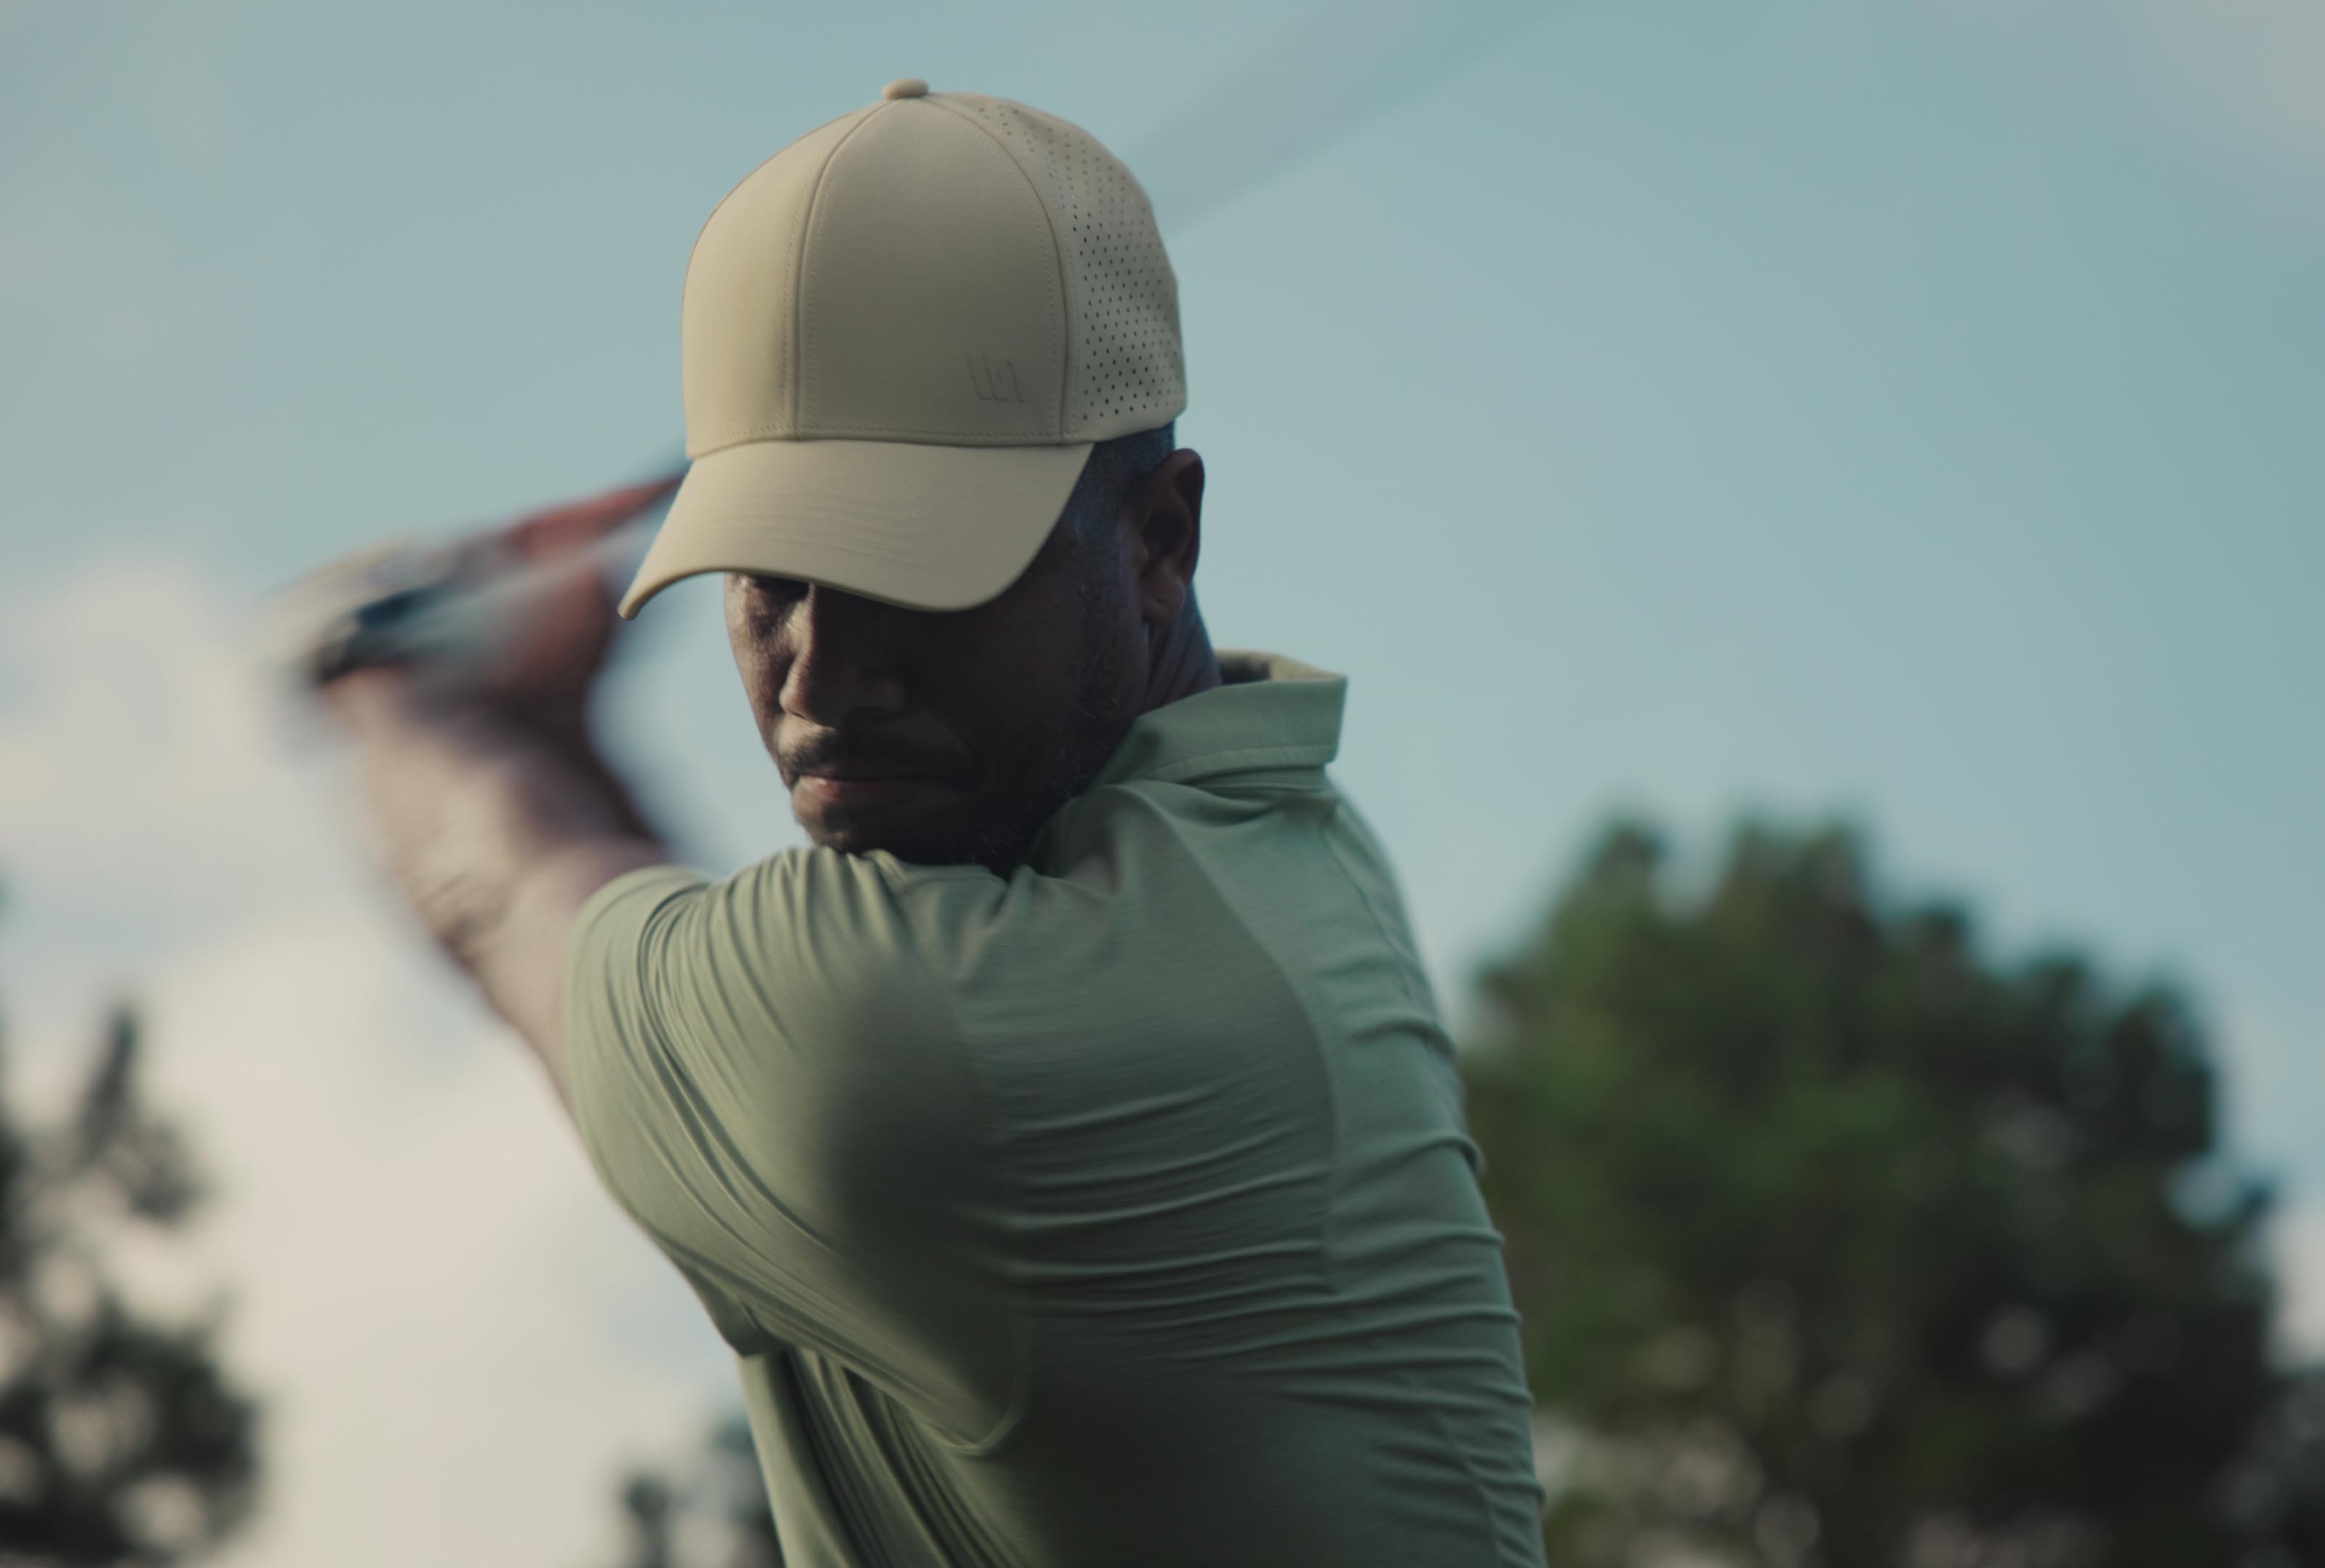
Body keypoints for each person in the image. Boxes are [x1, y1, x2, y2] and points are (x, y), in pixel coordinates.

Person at [312, 80, 1548, 1567]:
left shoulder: (968, 1050)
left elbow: (514, 897)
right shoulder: (1274, 836)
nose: (820, 680)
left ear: (1157, 540)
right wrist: (544, 725)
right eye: (769, 574)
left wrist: (385, 691)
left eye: (915, 570)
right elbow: (711, 957)